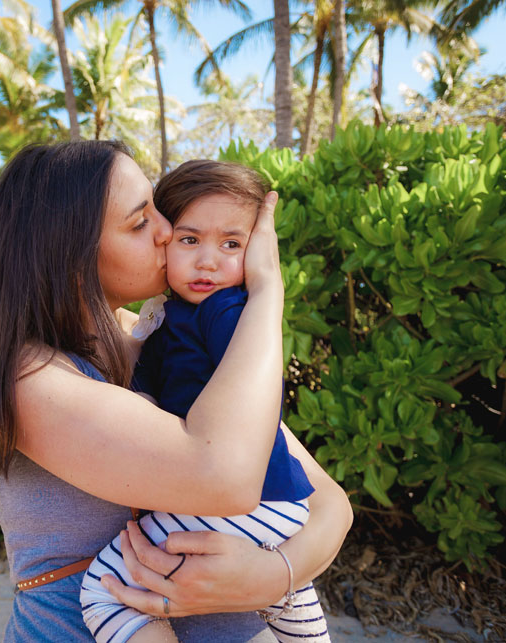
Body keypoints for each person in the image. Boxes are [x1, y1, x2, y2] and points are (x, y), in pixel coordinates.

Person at [0, 140, 353, 642]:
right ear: (69, 254)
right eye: (140, 223)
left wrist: (275, 575)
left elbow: (329, 503)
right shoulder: (30, 379)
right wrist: (267, 292)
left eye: (157, 208)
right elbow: (226, 475)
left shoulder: (165, 338)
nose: (166, 230)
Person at [79, 160, 331, 643]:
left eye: (232, 244)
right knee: (288, 605)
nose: (208, 261)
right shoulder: (169, 319)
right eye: (189, 240)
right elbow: (146, 385)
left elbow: (260, 399)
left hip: (252, 499)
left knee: (105, 590)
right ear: (165, 238)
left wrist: (263, 287)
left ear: (257, 251)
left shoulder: (227, 311)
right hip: (275, 501)